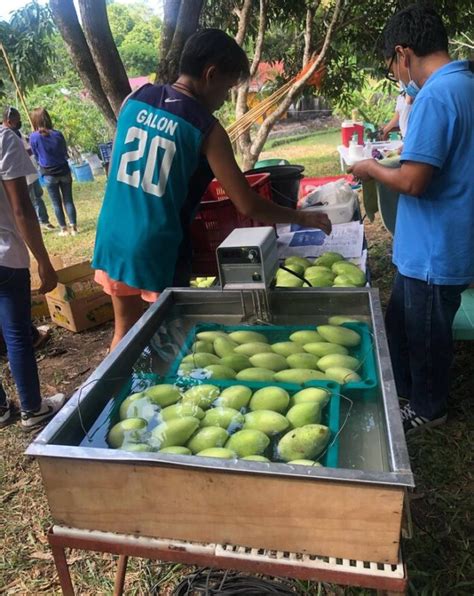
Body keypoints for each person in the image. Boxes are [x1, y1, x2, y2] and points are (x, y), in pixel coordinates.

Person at [93, 28, 332, 351]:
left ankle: (111, 394)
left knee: (124, 335)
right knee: (171, 339)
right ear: (211, 74)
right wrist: (303, 218)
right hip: (155, 244)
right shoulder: (206, 128)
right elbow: (247, 204)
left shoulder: (135, 99)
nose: (224, 99)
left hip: (112, 234)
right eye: (227, 88)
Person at [351, 5, 474, 434]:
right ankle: (404, 390)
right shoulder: (465, 83)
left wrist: (368, 169)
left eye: (392, 67)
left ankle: (428, 406)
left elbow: (414, 180)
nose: (397, 76)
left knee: (426, 334)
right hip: (443, 238)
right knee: (402, 322)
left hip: (433, 249)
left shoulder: (436, 95)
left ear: (404, 53)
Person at [0, 124, 65, 431]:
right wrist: (43, 261)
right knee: (16, 334)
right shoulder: (3, 138)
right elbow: (21, 208)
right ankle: (32, 408)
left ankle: (1, 408)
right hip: (5, 256)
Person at [2, 106, 55, 231]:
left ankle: (44, 220)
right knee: (30, 201)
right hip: (20, 176)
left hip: (31, 172)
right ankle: (36, 224)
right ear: (9, 121)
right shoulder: (6, 136)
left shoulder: (17, 132)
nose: (19, 123)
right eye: (17, 121)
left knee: (38, 196)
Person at [29, 108, 78, 236]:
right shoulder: (58, 134)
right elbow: (64, 152)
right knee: (68, 200)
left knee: (56, 203)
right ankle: (73, 227)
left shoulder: (33, 137)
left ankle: (64, 229)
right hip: (64, 170)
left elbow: (36, 155)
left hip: (49, 174)